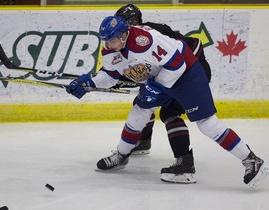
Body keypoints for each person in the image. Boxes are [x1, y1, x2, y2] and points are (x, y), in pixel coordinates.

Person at [66, 16, 269, 188]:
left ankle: (251, 160)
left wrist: (156, 87)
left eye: (110, 41)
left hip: (186, 72)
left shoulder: (144, 41)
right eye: (105, 41)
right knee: (138, 113)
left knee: (207, 123)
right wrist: (88, 82)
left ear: (123, 35)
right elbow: (110, 76)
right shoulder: (111, 50)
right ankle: (121, 155)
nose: (107, 45)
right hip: (160, 78)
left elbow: (177, 64)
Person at [113, 4, 212, 183]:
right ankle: (143, 142)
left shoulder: (151, 33)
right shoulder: (131, 41)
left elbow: (185, 53)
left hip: (191, 72)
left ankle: (185, 161)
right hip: (180, 72)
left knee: (169, 111)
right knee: (145, 100)